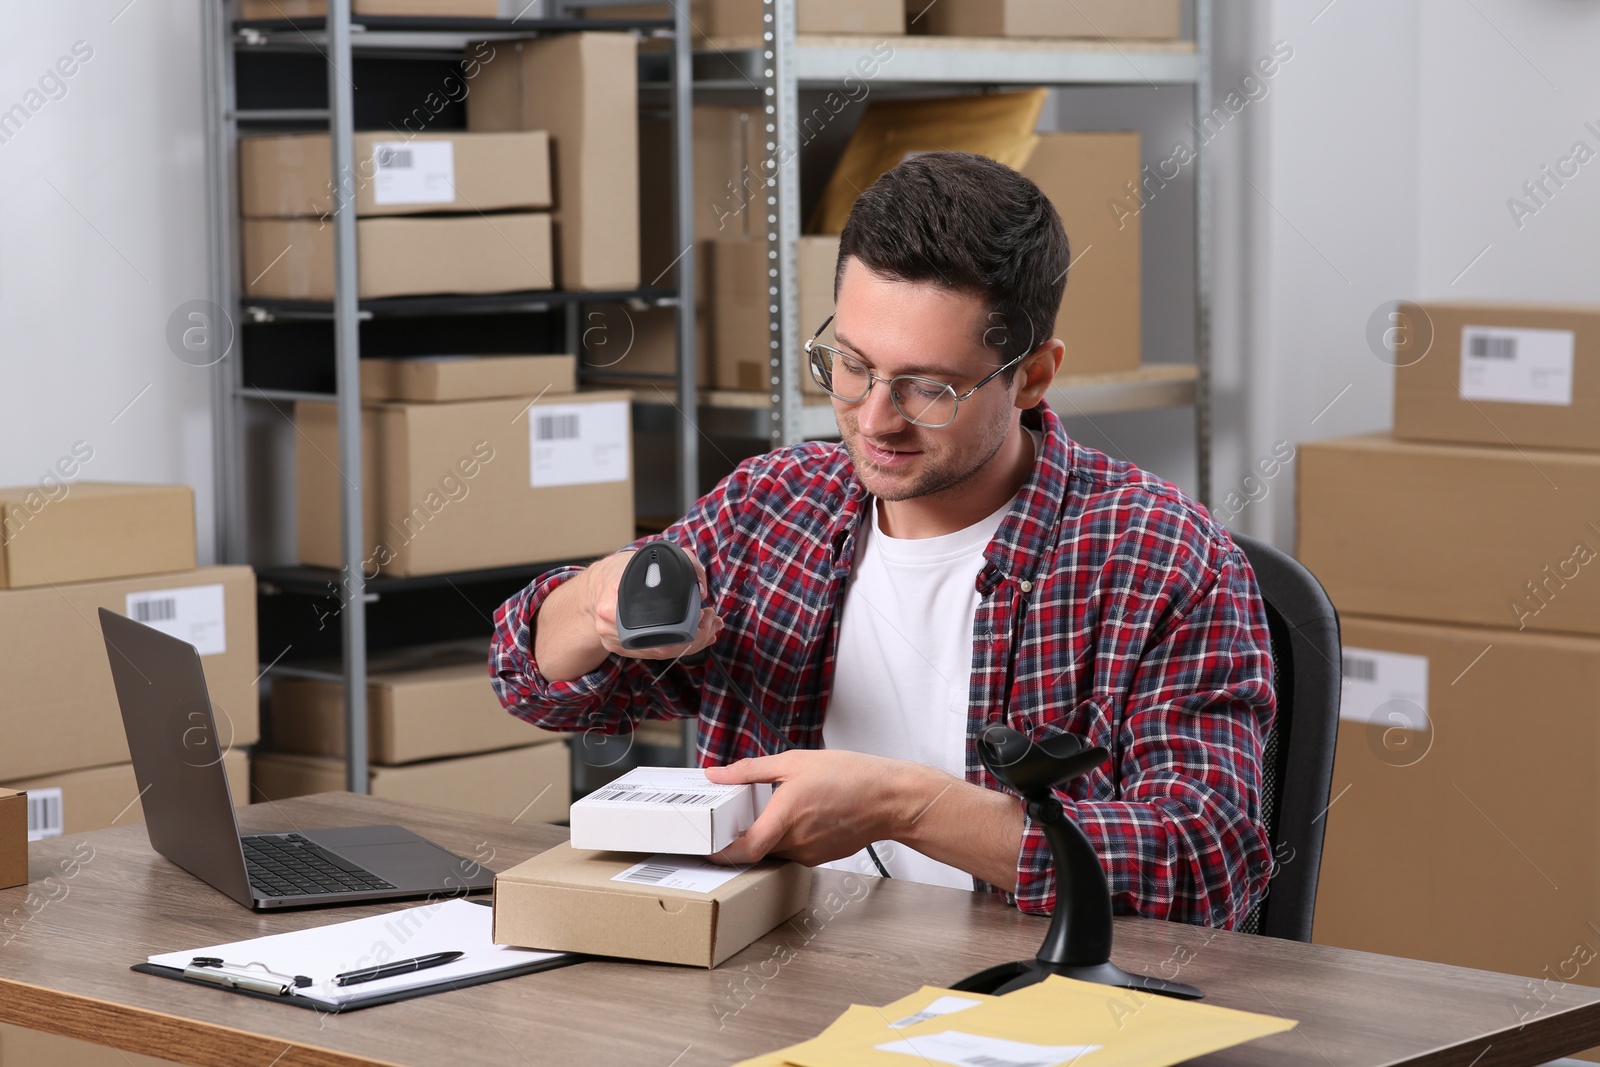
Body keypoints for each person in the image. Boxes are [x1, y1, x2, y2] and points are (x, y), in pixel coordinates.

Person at [490, 151, 1276, 927]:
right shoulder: (774, 506)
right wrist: (598, 598)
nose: (874, 419)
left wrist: (907, 806)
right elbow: (527, 676)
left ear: (1032, 376)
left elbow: (1207, 864)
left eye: (928, 387)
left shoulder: (1161, 556)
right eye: (852, 365)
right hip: (777, 987)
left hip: (1025, 1013)